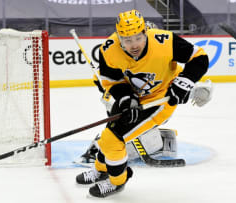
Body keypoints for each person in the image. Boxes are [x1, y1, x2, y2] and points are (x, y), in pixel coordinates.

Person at [75, 10, 209, 198]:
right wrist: (126, 98)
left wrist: (184, 83)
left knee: (113, 139)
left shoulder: (164, 41)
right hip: (132, 98)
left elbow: (200, 58)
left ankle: (117, 181)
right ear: (119, 37)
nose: (134, 45)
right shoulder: (109, 48)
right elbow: (112, 80)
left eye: (138, 38)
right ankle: (101, 169)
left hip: (159, 101)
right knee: (109, 133)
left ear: (145, 32)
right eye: (127, 40)